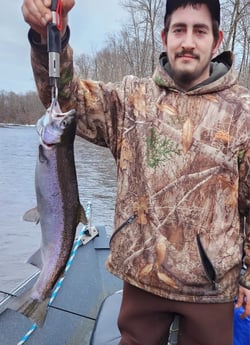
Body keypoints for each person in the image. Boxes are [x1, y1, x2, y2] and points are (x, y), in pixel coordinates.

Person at [22, 0, 250, 344]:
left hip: (212, 288)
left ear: (216, 40)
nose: (188, 41)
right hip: (142, 278)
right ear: (164, 36)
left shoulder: (243, 112)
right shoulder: (131, 100)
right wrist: (47, 39)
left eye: (200, 30)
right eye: (179, 29)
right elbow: (66, 100)